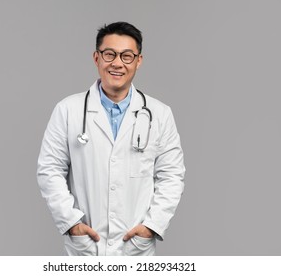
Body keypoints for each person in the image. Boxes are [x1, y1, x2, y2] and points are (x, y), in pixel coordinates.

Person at [37, 21, 185, 256]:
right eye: (109, 54)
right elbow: (50, 170)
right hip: (85, 245)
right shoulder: (68, 110)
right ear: (96, 58)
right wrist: (71, 223)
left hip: (136, 246)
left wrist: (151, 226)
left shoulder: (159, 114)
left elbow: (172, 176)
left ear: (139, 61)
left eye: (127, 56)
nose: (117, 63)